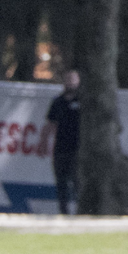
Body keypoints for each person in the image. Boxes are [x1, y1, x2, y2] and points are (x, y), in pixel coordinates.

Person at [46, 69, 80, 215]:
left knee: (78, 183)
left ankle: (82, 212)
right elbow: (50, 124)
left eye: (73, 79)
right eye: (67, 79)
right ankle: (63, 212)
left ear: (78, 81)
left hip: (78, 151)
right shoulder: (57, 102)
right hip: (60, 150)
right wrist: (43, 143)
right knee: (61, 184)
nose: (70, 82)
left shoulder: (83, 102)